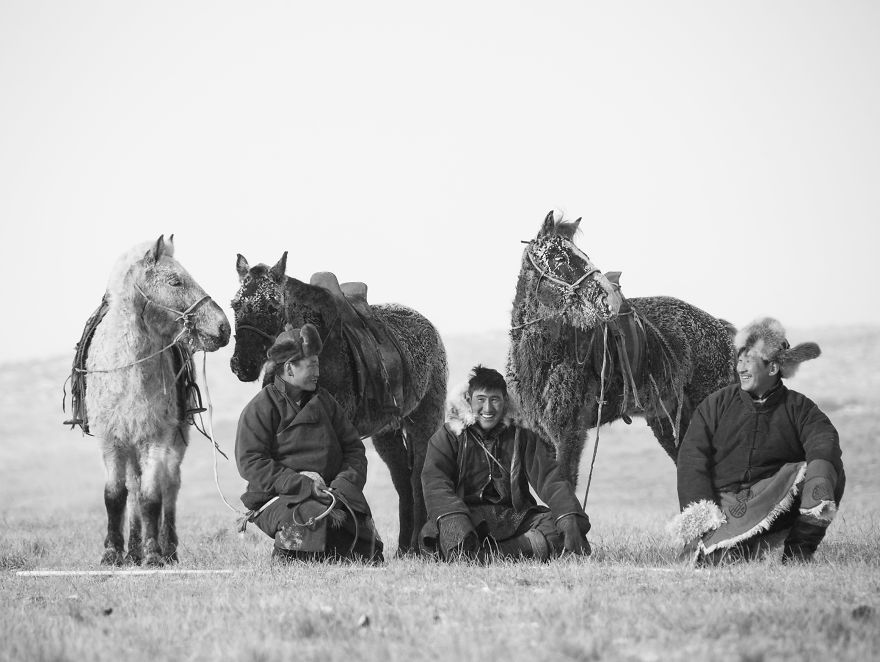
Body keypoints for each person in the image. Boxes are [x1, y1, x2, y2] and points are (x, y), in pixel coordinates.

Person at [671, 317, 845, 565]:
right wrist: (701, 516)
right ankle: (740, 547)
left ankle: (798, 552)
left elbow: (824, 440)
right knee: (720, 561)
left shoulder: (799, 408)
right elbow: (691, 458)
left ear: (772, 368)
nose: (740, 368)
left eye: (748, 361)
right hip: (726, 508)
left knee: (825, 468)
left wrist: (820, 466)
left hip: (777, 500)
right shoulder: (715, 405)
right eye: (739, 360)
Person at [235, 323, 383, 563]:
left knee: (368, 549)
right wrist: (303, 484)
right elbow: (251, 462)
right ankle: (288, 556)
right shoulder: (260, 408)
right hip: (282, 496)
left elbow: (354, 449)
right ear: (290, 368)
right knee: (307, 518)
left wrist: (343, 486)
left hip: (333, 493)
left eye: (318, 363)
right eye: (311, 364)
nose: (318, 371)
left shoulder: (326, 402)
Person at [420, 365, 591, 562]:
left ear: (505, 401)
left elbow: (549, 479)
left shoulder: (522, 434)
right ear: (468, 399)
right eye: (481, 400)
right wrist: (454, 519)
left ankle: (484, 556)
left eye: (495, 400)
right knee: (434, 533)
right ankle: (520, 550)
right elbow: (435, 482)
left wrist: (567, 514)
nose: (488, 409)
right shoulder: (449, 436)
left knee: (559, 525)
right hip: (465, 515)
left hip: (513, 517)